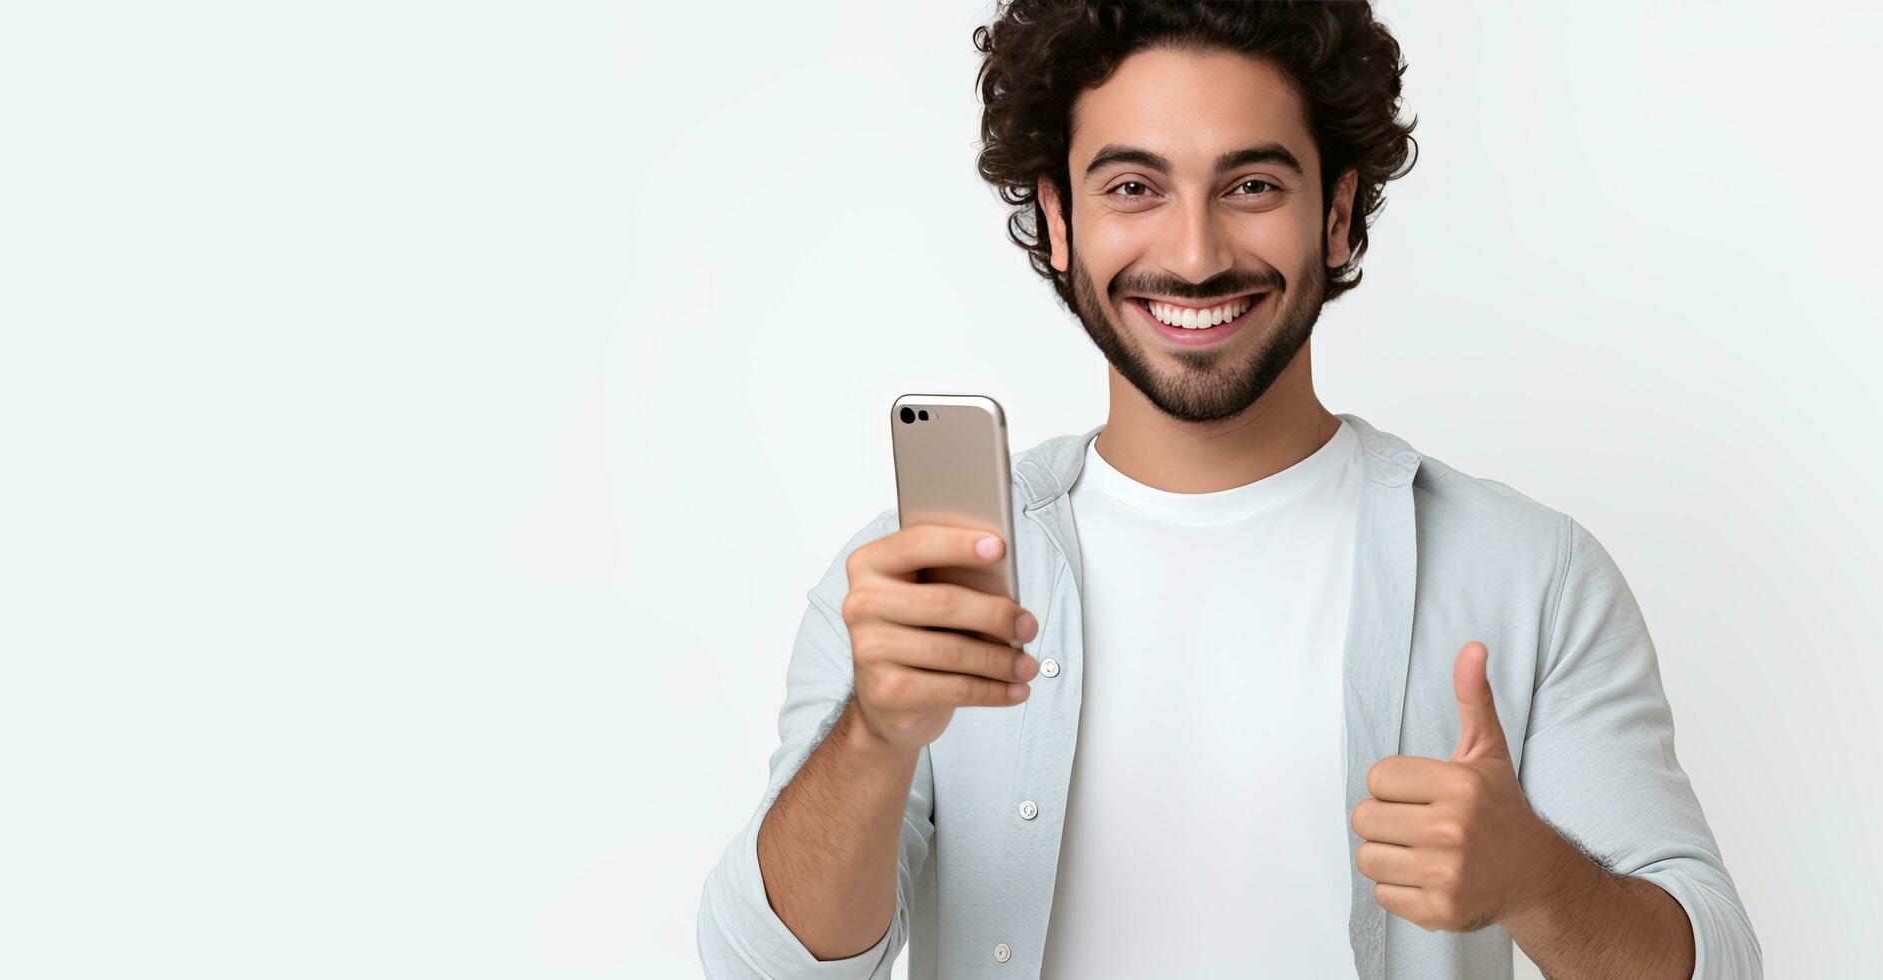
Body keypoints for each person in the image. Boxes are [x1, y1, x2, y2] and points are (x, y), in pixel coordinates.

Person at [701, 2, 1760, 976]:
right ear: (1056, 217)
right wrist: (876, 737)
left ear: (1337, 215)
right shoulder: (910, 588)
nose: (1196, 254)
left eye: (1250, 185)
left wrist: (1536, 877)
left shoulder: (1527, 572)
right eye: (1132, 187)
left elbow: (1716, 961)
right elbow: (757, 966)